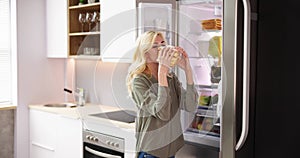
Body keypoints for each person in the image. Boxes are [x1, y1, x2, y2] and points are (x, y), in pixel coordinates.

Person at [126, 31, 198, 158]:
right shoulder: (139, 81)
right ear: (145, 52)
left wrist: (188, 70)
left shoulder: (170, 77)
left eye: (163, 44)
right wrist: (162, 73)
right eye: (155, 46)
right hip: (151, 152)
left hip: (170, 150)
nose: (161, 49)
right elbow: (162, 114)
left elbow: (190, 106)